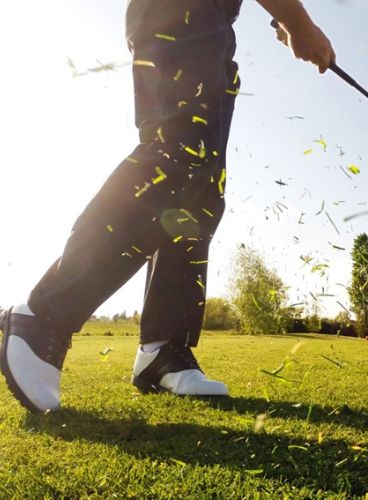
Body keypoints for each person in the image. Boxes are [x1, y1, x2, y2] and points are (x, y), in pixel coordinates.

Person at [0, 0, 335, 413]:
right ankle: (45, 315)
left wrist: (284, 18)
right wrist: (297, 21)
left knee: (202, 192)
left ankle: (163, 348)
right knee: (179, 157)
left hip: (213, 23)